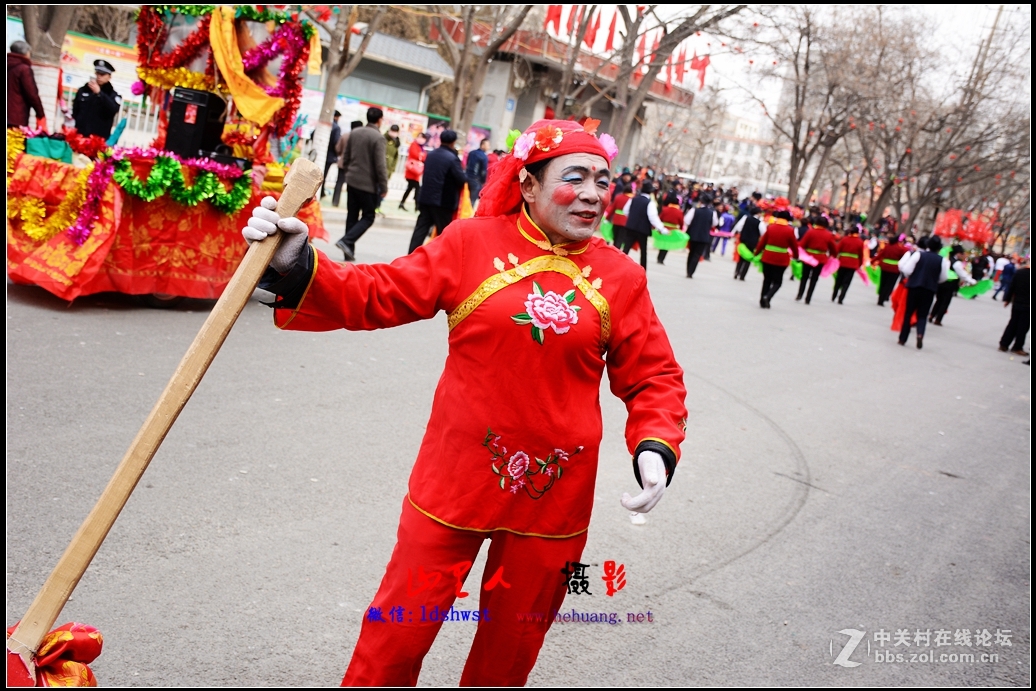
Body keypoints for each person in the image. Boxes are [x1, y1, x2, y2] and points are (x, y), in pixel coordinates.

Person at [241, 118, 686, 686]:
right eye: (576, 177)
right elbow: (379, 291)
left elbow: (654, 376)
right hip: (454, 483)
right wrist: (300, 266)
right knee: (396, 636)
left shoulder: (621, 277)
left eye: (603, 180)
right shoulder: (471, 243)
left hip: (553, 501)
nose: (595, 194)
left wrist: (655, 444)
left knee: (511, 648)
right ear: (527, 183)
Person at [335, 108, 389, 261]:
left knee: (352, 214)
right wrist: (384, 186)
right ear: (379, 120)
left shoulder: (355, 132)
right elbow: (380, 165)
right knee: (369, 216)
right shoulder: (378, 138)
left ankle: (348, 251)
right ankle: (347, 241)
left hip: (351, 180)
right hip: (367, 184)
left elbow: (346, 156)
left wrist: (348, 172)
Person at [407, 129, 467, 253]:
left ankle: (410, 256)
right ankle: (440, 260)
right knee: (444, 233)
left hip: (425, 198)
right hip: (442, 202)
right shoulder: (452, 159)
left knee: (420, 230)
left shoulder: (431, 154)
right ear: (453, 142)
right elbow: (461, 179)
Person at [897, 235, 947, 349]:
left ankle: (903, 338)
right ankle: (920, 334)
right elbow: (943, 277)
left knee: (909, 313)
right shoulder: (942, 260)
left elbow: (907, 270)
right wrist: (934, 280)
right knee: (922, 315)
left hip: (914, 286)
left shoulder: (919, 255)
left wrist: (913, 276)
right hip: (929, 290)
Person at [755, 209, 799, 308]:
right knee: (777, 282)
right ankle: (768, 296)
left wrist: (756, 253)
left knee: (767, 280)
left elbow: (762, 242)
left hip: (767, 257)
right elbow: (794, 246)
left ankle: (762, 300)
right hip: (781, 260)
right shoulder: (790, 230)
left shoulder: (770, 227)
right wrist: (796, 256)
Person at [619, 180, 668, 269]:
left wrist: (633, 218)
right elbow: (653, 217)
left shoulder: (633, 199)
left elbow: (625, 211)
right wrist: (662, 228)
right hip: (643, 230)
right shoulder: (649, 203)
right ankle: (643, 269)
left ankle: (619, 265)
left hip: (631, 227)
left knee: (626, 248)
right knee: (643, 251)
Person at [72, 59, 122, 139]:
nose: (99, 76)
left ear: (109, 77)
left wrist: (100, 94)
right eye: (97, 73)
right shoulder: (83, 90)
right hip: (80, 136)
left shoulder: (113, 95)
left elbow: (113, 109)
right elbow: (75, 111)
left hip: (99, 139)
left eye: (102, 74)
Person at [929, 245, 976, 326]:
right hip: (950, 284)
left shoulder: (945, 258)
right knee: (945, 302)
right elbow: (963, 275)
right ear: (958, 253)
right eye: (962, 254)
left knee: (939, 300)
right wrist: (972, 281)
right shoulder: (956, 263)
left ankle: (931, 315)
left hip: (941, 282)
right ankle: (938, 319)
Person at [795, 216, 837, 303]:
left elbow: (802, 244)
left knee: (804, 277)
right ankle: (808, 298)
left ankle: (800, 294)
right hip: (820, 259)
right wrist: (833, 256)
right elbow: (833, 249)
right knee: (814, 279)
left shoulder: (810, 232)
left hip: (809, 258)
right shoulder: (829, 235)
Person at [7, 41, 46, 131]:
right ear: (25, 53)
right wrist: (40, 113)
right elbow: (31, 94)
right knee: (13, 143)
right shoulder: (24, 69)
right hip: (16, 117)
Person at [998, 258, 1030, 355]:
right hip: (1028, 305)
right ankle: (1017, 347)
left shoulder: (1019, 272)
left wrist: (1007, 299)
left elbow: (1012, 286)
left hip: (1017, 302)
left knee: (1013, 322)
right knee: (1023, 327)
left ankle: (1004, 343)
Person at [684, 195, 718, 278]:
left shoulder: (694, 210)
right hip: (704, 236)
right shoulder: (712, 213)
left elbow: (687, 220)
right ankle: (691, 272)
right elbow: (715, 223)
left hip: (693, 234)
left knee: (691, 252)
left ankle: (688, 270)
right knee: (697, 254)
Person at [332, 120, 363, 207]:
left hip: (342, 163)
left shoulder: (345, 136)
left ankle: (335, 201)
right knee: (353, 186)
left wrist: (341, 155)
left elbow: (337, 148)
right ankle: (351, 205)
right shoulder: (360, 138)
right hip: (354, 165)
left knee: (339, 183)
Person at [872, 232, 908, 306]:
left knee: (883, 283)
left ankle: (880, 297)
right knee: (889, 285)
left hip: (884, 267)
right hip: (894, 269)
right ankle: (884, 298)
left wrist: (872, 261)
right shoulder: (902, 248)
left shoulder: (887, 246)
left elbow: (880, 254)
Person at [832, 225, 864, 304]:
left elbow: (837, 249)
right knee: (847, 282)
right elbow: (861, 255)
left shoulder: (844, 239)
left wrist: (834, 258)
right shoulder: (860, 242)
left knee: (839, 279)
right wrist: (859, 264)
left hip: (842, 262)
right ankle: (841, 298)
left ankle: (834, 295)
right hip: (852, 265)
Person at [732, 205, 764, 281]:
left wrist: (740, 233)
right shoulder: (759, 222)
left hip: (743, 239)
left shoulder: (746, 218)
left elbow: (738, 227)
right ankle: (742, 275)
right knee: (748, 258)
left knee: (741, 257)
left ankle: (737, 272)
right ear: (758, 213)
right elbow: (763, 233)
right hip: (752, 242)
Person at [399, 132, 427, 212]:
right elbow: (416, 155)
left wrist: (421, 156)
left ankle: (403, 203)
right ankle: (416, 205)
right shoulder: (414, 145)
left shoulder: (422, 148)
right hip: (412, 171)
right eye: (420, 137)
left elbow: (424, 157)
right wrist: (420, 156)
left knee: (410, 188)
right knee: (416, 188)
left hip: (417, 173)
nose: (421, 139)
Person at [654, 192, 685, 265]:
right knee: (667, 245)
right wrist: (680, 229)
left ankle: (659, 257)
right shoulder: (679, 212)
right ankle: (662, 259)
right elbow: (681, 222)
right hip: (673, 230)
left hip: (664, 228)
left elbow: (660, 218)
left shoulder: (665, 209)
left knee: (663, 243)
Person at [320, 111, 342, 199]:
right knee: (323, 176)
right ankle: (321, 193)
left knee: (319, 174)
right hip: (329, 156)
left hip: (321, 154)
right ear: (336, 117)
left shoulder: (323, 123)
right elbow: (336, 142)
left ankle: (320, 192)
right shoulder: (336, 128)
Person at [605, 182, 632, 249]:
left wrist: (607, 218)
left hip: (616, 220)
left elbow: (612, 208)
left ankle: (613, 250)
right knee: (620, 239)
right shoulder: (631, 199)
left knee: (615, 237)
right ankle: (616, 251)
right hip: (625, 222)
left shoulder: (618, 197)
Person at [466, 138, 491, 205]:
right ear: (482, 145)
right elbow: (483, 171)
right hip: (476, 180)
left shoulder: (471, 153)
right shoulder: (483, 156)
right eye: (488, 145)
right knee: (472, 202)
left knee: (464, 198)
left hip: (466, 178)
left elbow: (467, 164)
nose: (489, 147)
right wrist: (483, 181)